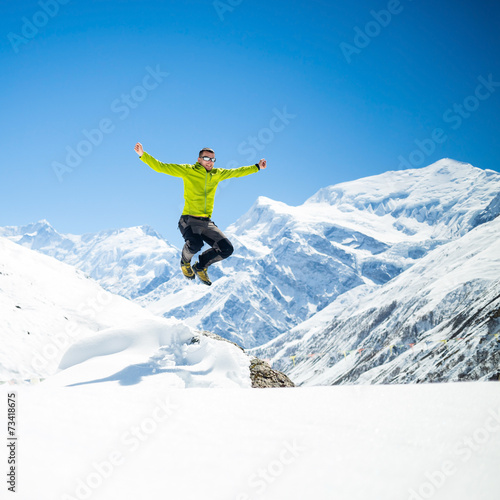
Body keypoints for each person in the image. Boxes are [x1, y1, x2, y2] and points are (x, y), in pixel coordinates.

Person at [134, 142, 267, 286]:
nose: (210, 162)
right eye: (207, 158)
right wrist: (143, 155)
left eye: (213, 159)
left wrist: (257, 167)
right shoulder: (188, 170)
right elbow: (162, 167)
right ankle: (185, 262)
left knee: (227, 249)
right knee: (196, 244)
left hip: (206, 222)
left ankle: (201, 266)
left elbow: (237, 172)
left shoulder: (217, 174)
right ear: (199, 159)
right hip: (188, 220)